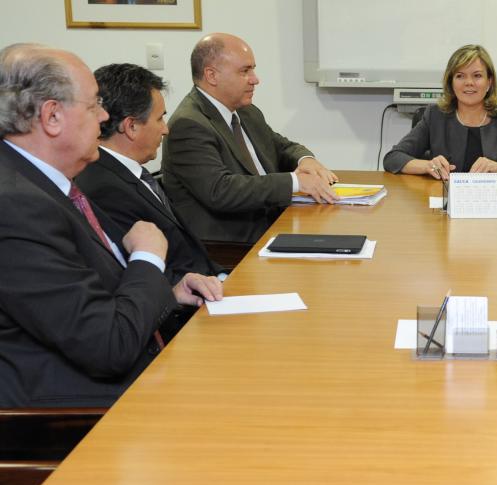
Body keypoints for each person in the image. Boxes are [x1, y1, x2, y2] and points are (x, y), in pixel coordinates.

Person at [0, 43, 222, 408]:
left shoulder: (46, 183)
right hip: (79, 412)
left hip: (129, 369)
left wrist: (170, 289)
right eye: (92, 105)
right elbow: (107, 345)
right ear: (51, 116)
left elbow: (94, 293)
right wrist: (150, 259)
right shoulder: (16, 206)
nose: (105, 117)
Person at [161, 33, 338, 245]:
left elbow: (280, 146)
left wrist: (306, 160)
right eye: (245, 71)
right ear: (211, 75)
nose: (255, 79)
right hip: (231, 241)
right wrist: (296, 181)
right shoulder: (188, 124)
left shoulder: (246, 111)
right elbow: (221, 191)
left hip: (273, 220)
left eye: (253, 69)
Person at [76, 63, 224, 286]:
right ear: (131, 126)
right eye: (159, 119)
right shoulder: (105, 189)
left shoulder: (132, 173)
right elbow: (141, 272)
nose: (166, 129)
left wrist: (223, 277)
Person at [383, 44, 497, 179]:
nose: (469, 82)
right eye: (460, 76)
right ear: (451, 83)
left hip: (493, 203)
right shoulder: (434, 116)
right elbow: (393, 158)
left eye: (477, 75)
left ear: (489, 82)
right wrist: (427, 166)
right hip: (447, 203)